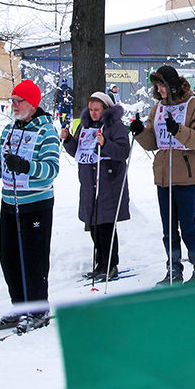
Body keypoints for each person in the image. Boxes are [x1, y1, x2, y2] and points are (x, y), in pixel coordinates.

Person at [0, 80, 60, 323]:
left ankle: (38, 310)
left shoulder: (46, 132)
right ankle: (19, 308)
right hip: (9, 202)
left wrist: (26, 166)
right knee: (9, 258)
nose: (14, 105)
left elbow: (51, 170)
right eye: (13, 101)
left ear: (33, 103)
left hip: (36, 205)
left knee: (33, 259)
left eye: (19, 101)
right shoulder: (9, 131)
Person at [129, 65, 195, 284]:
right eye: (157, 86)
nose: (160, 90)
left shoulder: (193, 106)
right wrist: (139, 132)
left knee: (188, 227)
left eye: (162, 85)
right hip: (163, 175)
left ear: (172, 85)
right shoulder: (158, 108)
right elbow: (153, 142)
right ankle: (173, 268)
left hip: (185, 174)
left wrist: (178, 130)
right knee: (168, 229)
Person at [61, 91, 131, 281]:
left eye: (97, 109)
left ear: (105, 109)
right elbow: (78, 151)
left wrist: (105, 143)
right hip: (88, 183)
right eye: (90, 109)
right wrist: (68, 140)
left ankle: (110, 264)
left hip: (109, 182)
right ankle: (100, 263)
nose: (93, 113)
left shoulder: (115, 126)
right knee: (93, 225)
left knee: (106, 226)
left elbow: (123, 151)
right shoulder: (84, 126)